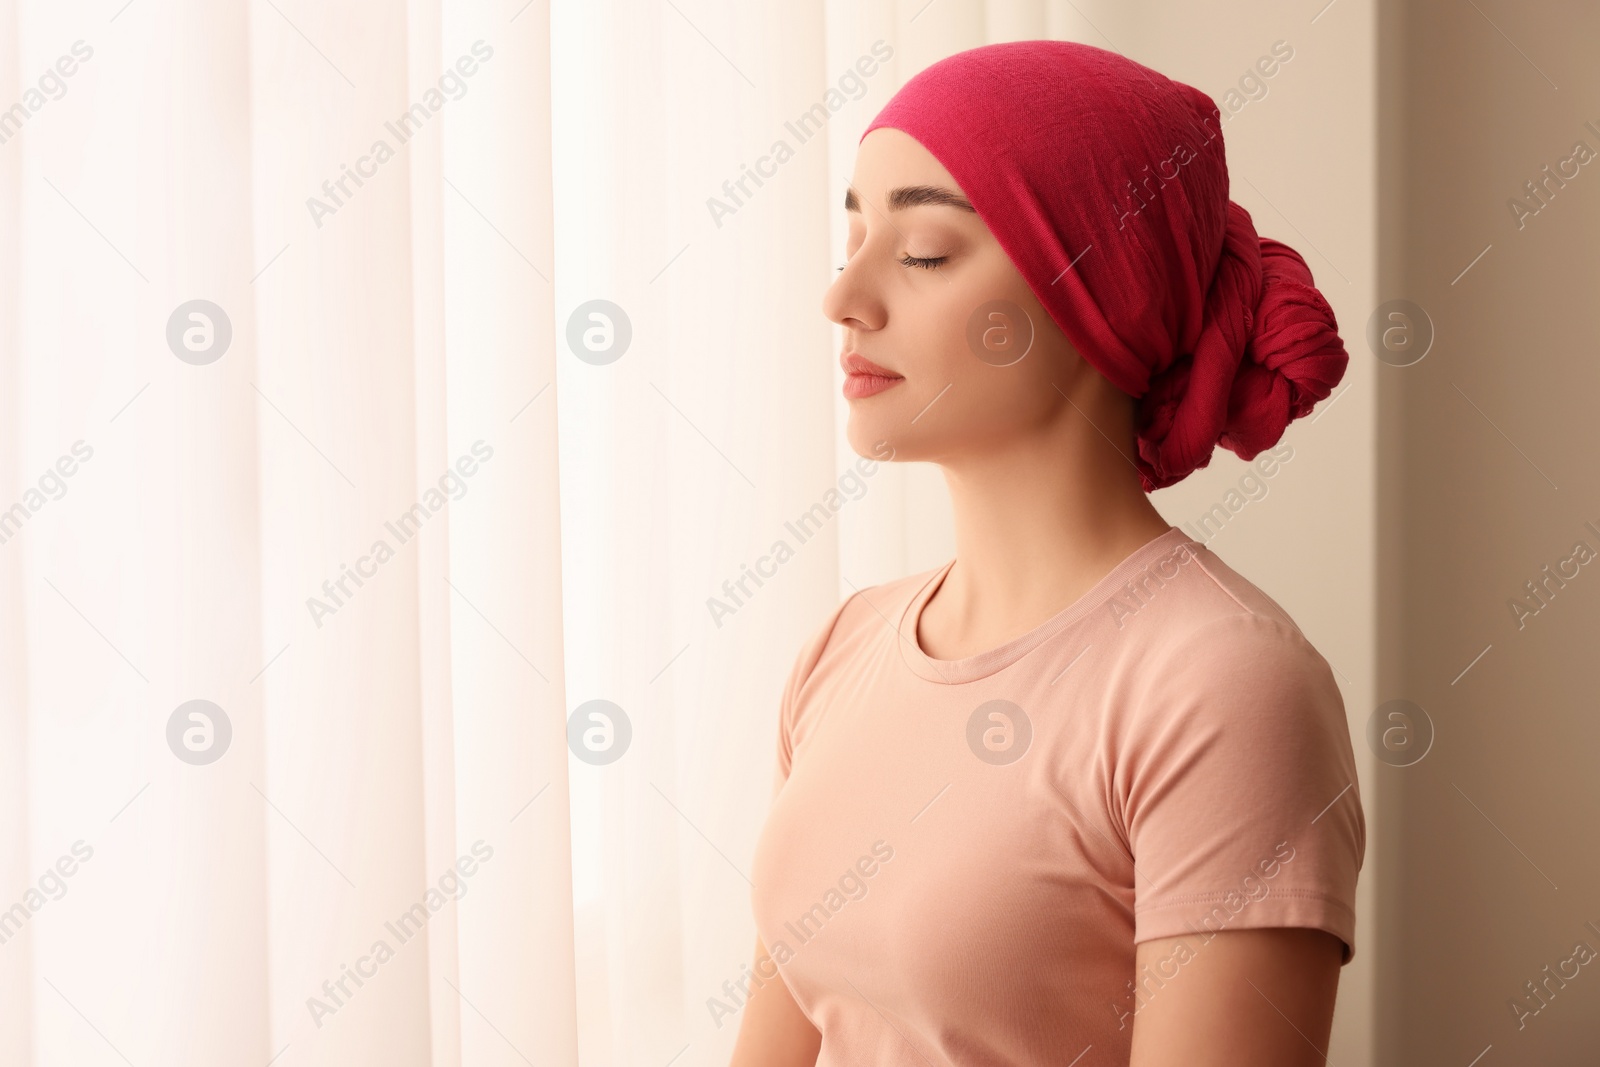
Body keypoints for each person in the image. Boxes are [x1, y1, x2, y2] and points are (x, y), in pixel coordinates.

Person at [731, 40, 1364, 1066]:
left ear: (1096, 295)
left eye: (924, 250)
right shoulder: (841, 650)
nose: (843, 295)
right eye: (849, 238)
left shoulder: (1221, 684)